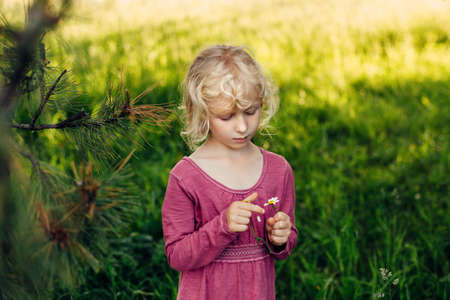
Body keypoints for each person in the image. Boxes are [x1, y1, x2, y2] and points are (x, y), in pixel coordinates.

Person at [162, 45, 298, 300]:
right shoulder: (186, 177)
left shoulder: (279, 170)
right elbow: (176, 255)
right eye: (226, 117)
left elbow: (286, 242)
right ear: (203, 113)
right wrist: (222, 227)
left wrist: (281, 237)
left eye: (251, 111)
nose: (242, 126)